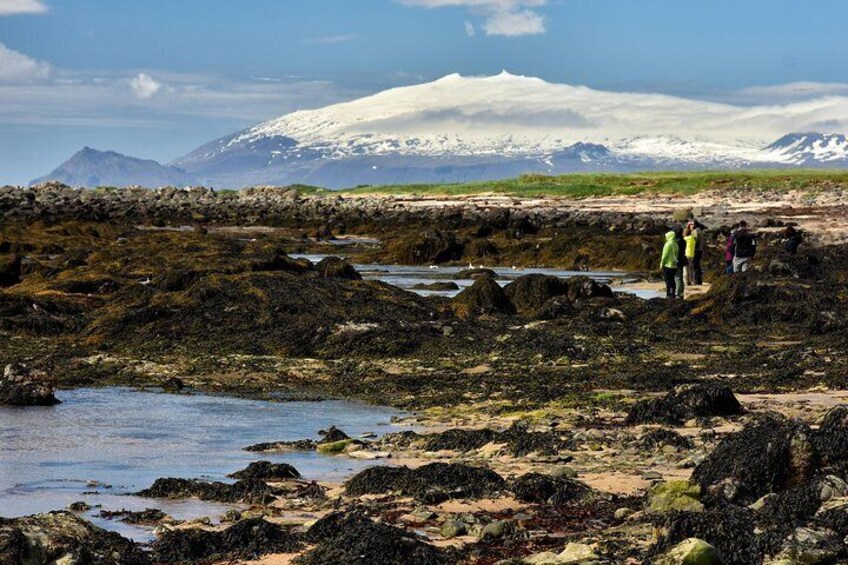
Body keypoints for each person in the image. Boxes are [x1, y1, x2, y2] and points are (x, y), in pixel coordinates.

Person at [660, 230, 679, 299]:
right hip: (674, 265)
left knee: (667, 280)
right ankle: (673, 293)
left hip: (668, 265)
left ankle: (668, 294)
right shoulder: (676, 244)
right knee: (672, 279)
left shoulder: (668, 244)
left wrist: (662, 263)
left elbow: (664, 255)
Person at [674, 227, 686, 298]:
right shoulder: (684, 241)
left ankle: (677, 293)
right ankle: (681, 291)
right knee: (680, 277)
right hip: (682, 259)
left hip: (677, 260)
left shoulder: (677, 241)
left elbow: (676, 252)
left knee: (677, 277)